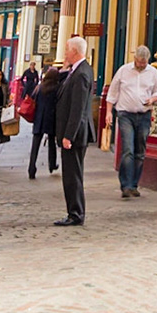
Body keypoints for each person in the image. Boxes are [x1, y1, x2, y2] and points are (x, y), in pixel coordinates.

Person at [104, 45, 157, 198]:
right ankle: (125, 185)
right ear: (134, 59)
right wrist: (108, 113)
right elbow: (112, 93)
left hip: (144, 115)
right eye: (138, 62)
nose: (140, 65)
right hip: (125, 114)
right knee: (128, 150)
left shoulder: (153, 73)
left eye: (143, 63)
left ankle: (134, 184)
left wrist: (153, 98)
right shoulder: (123, 71)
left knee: (140, 152)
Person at [53, 35, 97, 226]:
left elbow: (78, 108)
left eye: (67, 50)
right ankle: (74, 211)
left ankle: (76, 213)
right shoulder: (76, 71)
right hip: (73, 133)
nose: (65, 53)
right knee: (71, 174)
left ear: (75, 51)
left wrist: (68, 135)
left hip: (75, 135)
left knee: (73, 175)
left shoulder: (81, 74)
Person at [30, 63, 65, 180]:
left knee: (35, 144)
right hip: (51, 117)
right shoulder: (57, 88)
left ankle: (31, 167)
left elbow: (32, 98)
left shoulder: (40, 87)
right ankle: (52, 164)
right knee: (51, 142)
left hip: (39, 117)